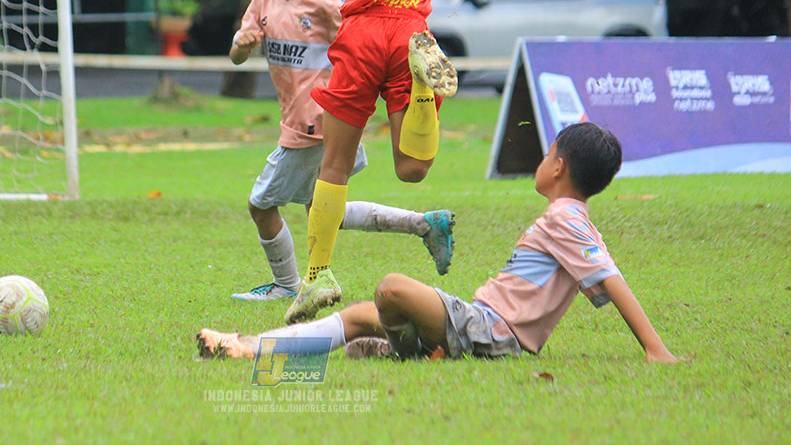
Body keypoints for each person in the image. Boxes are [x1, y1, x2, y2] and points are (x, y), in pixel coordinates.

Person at [198, 122, 681, 365]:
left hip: (492, 333)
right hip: (481, 323)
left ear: (557, 167)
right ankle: (247, 347)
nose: (543, 158)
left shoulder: (567, 220)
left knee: (391, 288)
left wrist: (655, 350)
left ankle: (411, 349)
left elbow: (610, 280)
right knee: (361, 314)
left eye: (548, 152)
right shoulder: (571, 218)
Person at [285, 0, 463, 324]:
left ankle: (316, 278)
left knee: (334, 165)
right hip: (412, 35)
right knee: (412, 169)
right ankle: (426, 94)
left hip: (364, 35)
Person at [229, 0, 455, 302]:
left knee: (260, 205)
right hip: (301, 123)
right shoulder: (262, 0)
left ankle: (286, 285)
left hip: (315, 125)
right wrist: (240, 45)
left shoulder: (323, 5)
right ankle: (424, 224)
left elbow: (362, 36)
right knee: (325, 205)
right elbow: (236, 54)